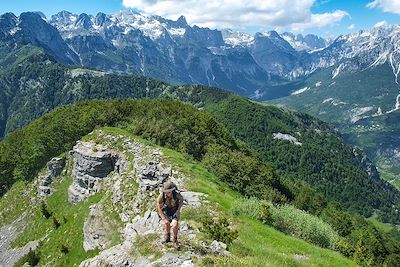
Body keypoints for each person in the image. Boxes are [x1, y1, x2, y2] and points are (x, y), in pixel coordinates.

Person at [156, 181, 184, 248]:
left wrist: (178, 210)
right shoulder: (162, 196)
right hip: (167, 209)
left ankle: (175, 240)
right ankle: (167, 238)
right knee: (167, 223)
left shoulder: (176, 194)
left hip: (175, 210)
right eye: (166, 191)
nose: (167, 193)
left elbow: (181, 201)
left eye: (168, 191)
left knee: (175, 225)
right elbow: (158, 205)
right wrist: (163, 218)